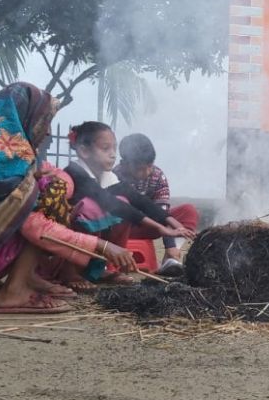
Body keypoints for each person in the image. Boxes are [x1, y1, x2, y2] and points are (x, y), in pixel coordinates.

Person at [0, 83, 136, 313]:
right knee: (48, 197)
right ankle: (15, 291)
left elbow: (49, 172)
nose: (48, 131)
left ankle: (27, 277)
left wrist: (56, 180)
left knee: (50, 187)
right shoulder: (4, 158)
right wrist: (102, 246)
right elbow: (35, 227)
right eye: (44, 121)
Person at [59, 122, 192, 290]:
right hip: (63, 242)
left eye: (114, 149)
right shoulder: (75, 172)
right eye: (106, 149)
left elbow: (138, 200)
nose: (113, 155)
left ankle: (98, 270)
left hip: (90, 241)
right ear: (84, 151)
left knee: (125, 201)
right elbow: (115, 205)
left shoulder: (107, 176)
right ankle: (70, 272)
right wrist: (162, 228)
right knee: (93, 207)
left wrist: (173, 223)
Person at [114, 133, 199, 271]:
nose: (147, 172)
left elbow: (162, 212)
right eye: (140, 169)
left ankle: (170, 259)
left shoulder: (158, 176)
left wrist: (170, 245)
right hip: (123, 229)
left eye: (150, 166)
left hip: (153, 226)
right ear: (124, 164)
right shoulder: (115, 176)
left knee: (189, 211)